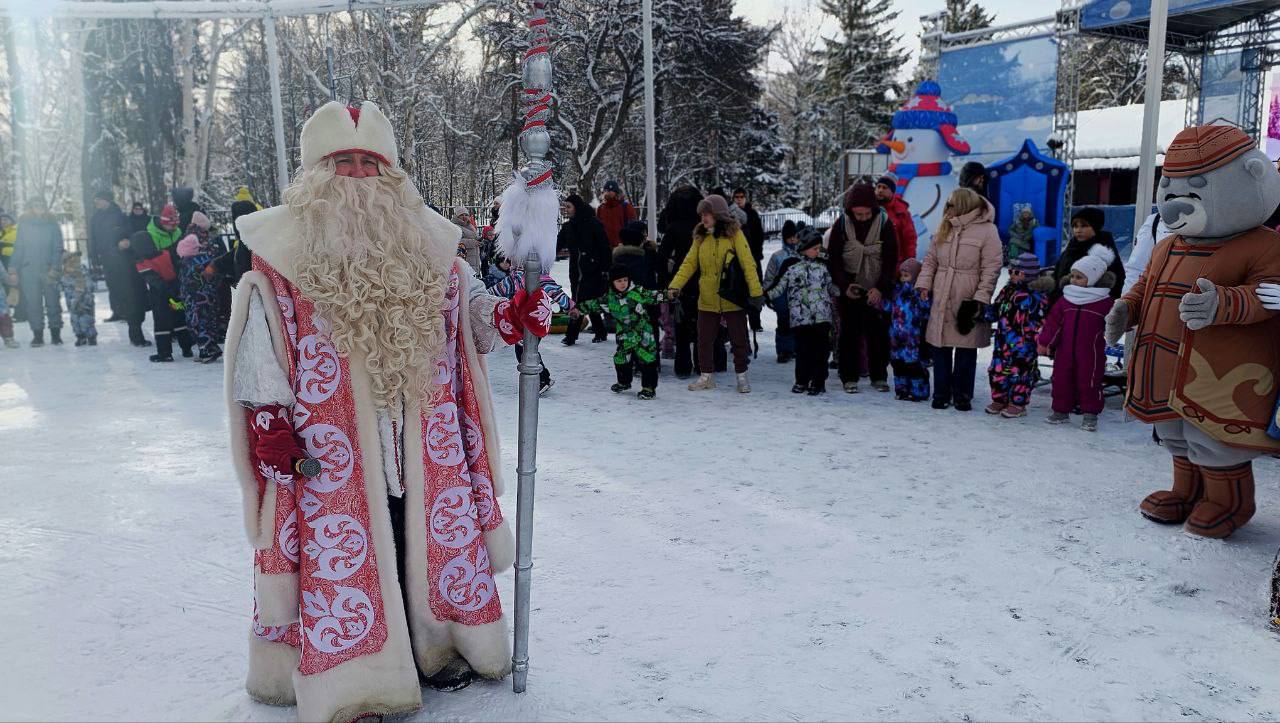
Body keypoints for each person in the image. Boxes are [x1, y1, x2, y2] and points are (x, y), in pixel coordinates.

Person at [224, 101, 552, 719]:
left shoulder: (428, 244)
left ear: (390, 172)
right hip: (330, 448)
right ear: (315, 172)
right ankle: (357, 681)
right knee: (349, 557)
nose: (355, 175)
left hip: (423, 438)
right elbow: (259, 338)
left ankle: (439, 651)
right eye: (340, 161)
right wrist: (268, 418)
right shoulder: (282, 253)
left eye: (368, 162)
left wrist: (507, 316)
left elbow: (470, 312)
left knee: (419, 539)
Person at [916, 187, 1003, 411]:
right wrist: (924, 284)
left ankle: (963, 394)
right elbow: (930, 261)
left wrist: (981, 297)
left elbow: (991, 267)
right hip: (941, 291)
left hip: (968, 293)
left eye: (952, 204)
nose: (948, 208)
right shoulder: (945, 226)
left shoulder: (987, 230)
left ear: (963, 205)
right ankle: (941, 392)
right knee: (939, 344)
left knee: (966, 346)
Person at [667, 193, 764, 393]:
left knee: (738, 340)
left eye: (707, 213)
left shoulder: (735, 234)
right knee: (704, 339)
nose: (703, 217)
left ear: (718, 214)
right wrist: (674, 286)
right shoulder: (700, 237)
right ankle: (706, 376)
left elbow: (748, 263)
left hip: (732, 296)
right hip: (708, 296)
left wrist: (756, 293)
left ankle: (742, 376)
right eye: (702, 214)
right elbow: (689, 263)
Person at [826, 183, 898, 394]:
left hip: (876, 285)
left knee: (879, 334)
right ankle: (849, 376)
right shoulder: (842, 224)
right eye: (858, 214)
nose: (863, 217)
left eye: (867, 213)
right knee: (849, 334)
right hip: (851, 286)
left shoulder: (884, 223)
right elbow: (835, 258)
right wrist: (844, 285)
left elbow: (891, 258)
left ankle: (879, 375)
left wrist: (881, 288)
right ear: (850, 211)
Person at [1039, 245, 1116, 431]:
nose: (1073, 280)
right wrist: (1045, 342)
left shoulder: (1104, 302)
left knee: (1089, 381)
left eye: (1079, 277)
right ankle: (1060, 411)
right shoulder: (1066, 299)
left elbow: (1114, 323)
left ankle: (1090, 414)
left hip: (1091, 352)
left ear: (1094, 279)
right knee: (1061, 379)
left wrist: (1119, 329)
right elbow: (1053, 323)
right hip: (1064, 350)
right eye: (1072, 276)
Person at [764, 226, 836, 395]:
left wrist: (844, 290)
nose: (818, 251)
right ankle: (802, 380)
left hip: (821, 316)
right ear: (804, 248)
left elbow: (831, 286)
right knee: (803, 351)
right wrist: (765, 296)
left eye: (820, 248)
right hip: (800, 317)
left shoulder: (823, 264)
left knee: (821, 351)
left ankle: (818, 382)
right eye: (815, 248)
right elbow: (779, 286)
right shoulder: (790, 264)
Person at [578, 264, 666, 399]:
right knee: (621, 359)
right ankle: (624, 382)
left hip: (643, 334)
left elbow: (654, 295)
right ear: (612, 282)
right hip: (625, 335)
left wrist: (669, 294)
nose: (623, 283)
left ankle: (648, 387)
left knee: (647, 360)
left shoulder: (638, 292)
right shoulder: (609, 298)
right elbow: (594, 304)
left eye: (625, 280)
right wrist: (578, 310)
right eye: (619, 281)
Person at [984, 253, 1052, 418]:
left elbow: (1040, 321)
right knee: (997, 370)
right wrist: (983, 312)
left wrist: (1037, 341)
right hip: (1003, 341)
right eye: (1010, 272)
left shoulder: (1036, 296)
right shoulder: (1007, 290)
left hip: (1024, 345)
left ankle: (1017, 403)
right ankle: (999, 398)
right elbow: (997, 308)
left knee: (1019, 373)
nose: (1012, 275)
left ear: (1028, 274)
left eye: (1017, 272)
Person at [124, 204, 194, 362]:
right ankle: (187, 348)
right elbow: (176, 266)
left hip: (160, 296)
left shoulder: (142, 263)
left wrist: (164, 290)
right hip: (176, 291)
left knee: (162, 323)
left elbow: (153, 280)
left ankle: (164, 353)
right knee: (179, 319)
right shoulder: (165, 254)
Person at [491, 265, 573, 395]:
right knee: (528, 351)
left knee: (525, 352)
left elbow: (556, 293)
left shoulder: (528, 278)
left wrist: (570, 307)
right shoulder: (516, 279)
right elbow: (496, 290)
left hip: (533, 322)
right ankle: (543, 377)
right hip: (527, 322)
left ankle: (542, 379)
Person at [656, 185, 703, 377]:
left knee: (681, 322)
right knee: (702, 323)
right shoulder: (702, 227)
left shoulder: (674, 227)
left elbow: (662, 255)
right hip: (702, 277)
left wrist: (664, 280)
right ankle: (702, 363)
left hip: (680, 279)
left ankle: (683, 366)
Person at [8, 199, 65, 347]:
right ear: (31, 208)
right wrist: (13, 267)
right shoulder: (24, 225)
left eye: (42, 205)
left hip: (49, 269)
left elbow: (57, 247)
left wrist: (55, 267)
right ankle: (37, 335)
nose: (39, 208)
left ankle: (55, 333)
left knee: (53, 302)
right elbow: (19, 247)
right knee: (33, 304)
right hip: (29, 270)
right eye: (36, 205)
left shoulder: (52, 225)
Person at [559, 193, 611, 344]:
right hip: (575, 269)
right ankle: (601, 331)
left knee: (580, 300)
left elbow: (604, 246)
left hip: (593, 269)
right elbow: (557, 244)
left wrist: (605, 268)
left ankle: (571, 335)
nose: (566, 210)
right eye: (565, 207)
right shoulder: (568, 227)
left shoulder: (593, 223)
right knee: (588, 300)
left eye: (569, 207)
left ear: (577, 207)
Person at [176, 211, 228, 362]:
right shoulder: (203, 240)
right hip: (204, 287)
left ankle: (206, 348)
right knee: (205, 317)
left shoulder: (187, 237)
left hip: (191, 287)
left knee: (196, 318)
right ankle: (207, 348)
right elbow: (215, 261)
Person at [1053, 207, 1125, 300]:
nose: (1078, 230)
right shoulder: (1071, 247)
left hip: (1092, 305)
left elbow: (1117, 281)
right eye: (1075, 226)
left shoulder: (1104, 251)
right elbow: (1058, 273)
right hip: (1064, 305)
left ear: (1095, 226)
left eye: (1083, 226)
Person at [888, 258, 930, 402]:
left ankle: (919, 391)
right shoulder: (897, 292)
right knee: (898, 364)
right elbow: (890, 307)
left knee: (913, 365)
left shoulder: (917, 295)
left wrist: (924, 300)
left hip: (912, 338)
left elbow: (926, 311)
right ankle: (902, 389)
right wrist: (878, 303)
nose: (903, 279)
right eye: (902, 275)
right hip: (896, 337)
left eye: (907, 276)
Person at [88, 191, 133, 323]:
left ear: (107, 200)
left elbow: (128, 232)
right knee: (112, 284)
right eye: (95, 200)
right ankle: (117, 311)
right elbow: (94, 238)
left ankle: (127, 311)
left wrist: (124, 243)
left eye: (99, 199)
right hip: (106, 255)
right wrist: (94, 256)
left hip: (120, 255)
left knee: (123, 283)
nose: (96, 202)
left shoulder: (119, 215)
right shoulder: (95, 218)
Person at [763, 219, 800, 363]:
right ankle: (784, 350)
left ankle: (796, 348)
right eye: (789, 237)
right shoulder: (777, 256)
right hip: (780, 295)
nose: (792, 240)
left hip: (797, 295)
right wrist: (767, 294)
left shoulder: (801, 255)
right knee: (783, 322)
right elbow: (770, 277)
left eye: (794, 237)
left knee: (797, 322)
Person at [732, 188, 766, 332]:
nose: (739, 199)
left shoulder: (752, 215)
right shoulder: (731, 215)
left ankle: (755, 321)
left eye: (742, 197)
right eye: (737, 197)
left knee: (755, 288)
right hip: (736, 260)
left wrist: (756, 253)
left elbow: (759, 235)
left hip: (752, 257)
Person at [1121, 210, 1172, 296]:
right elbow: (1137, 268)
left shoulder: (1202, 223)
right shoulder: (1155, 221)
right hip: (1162, 297)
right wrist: (1127, 301)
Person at [876, 173, 917, 266]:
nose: (880, 190)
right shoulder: (869, 209)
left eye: (884, 187)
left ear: (892, 191)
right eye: (878, 187)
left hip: (894, 266)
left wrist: (909, 265)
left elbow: (910, 240)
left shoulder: (901, 212)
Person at [59, 251, 97, 346]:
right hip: (72, 303)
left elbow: (89, 284)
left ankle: (91, 337)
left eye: (71, 261)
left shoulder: (81, 271)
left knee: (86, 319)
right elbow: (61, 286)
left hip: (84, 301)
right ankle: (80, 337)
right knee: (75, 320)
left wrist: (82, 295)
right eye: (65, 263)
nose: (68, 265)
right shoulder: (64, 274)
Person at [613, 220, 658, 289]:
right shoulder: (642, 255)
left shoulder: (618, 255)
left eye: (646, 232)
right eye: (643, 232)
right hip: (645, 293)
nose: (646, 234)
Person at [596, 179, 636, 248]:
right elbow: (598, 228)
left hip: (622, 246)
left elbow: (633, 226)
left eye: (611, 190)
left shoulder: (626, 207)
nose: (608, 193)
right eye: (606, 190)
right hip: (605, 247)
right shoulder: (601, 208)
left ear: (616, 192)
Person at [451, 206, 482, 272]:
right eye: (461, 215)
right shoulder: (454, 226)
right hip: (464, 257)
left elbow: (474, 236)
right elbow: (454, 241)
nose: (464, 217)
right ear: (457, 216)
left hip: (474, 256)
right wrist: (472, 243)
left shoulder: (469, 225)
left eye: (466, 215)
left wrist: (480, 239)